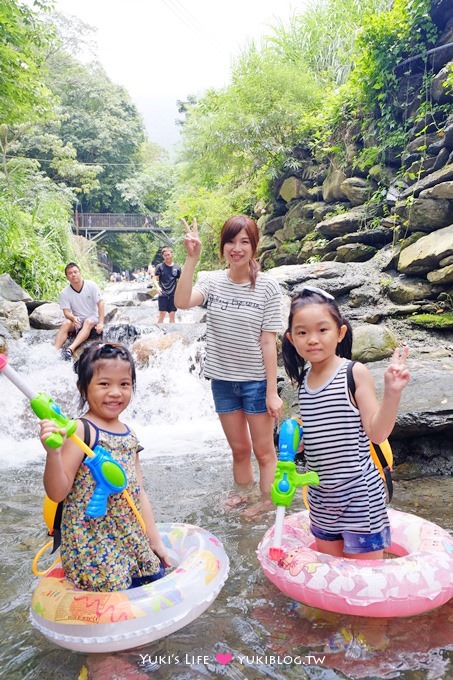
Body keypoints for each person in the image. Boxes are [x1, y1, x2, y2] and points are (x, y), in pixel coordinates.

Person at [282, 286, 410, 559]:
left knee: (366, 581)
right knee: (331, 577)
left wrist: (392, 392)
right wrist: (298, 443)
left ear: (340, 333)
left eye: (322, 330)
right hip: (321, 500)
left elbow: (377, 432)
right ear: (292, 339)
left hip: (358, 497)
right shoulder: (304, 382)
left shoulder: (353, 373)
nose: (312, 339)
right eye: (302, 332)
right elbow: (319, 433)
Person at [39, 342, 169, 591]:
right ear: (83, 389)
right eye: (104, 384)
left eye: (124, 384)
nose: (115, 393)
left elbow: (138, 492)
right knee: (114, 602)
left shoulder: (130, 434)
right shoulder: (80, 431)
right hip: (93, 542)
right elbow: (57, 493)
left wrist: (155, 541)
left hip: (128, 534)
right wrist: (52, 454)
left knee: (153, 579)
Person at [175, 215, 283, 507]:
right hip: (222, 381)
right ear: (222, 247)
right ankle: (246, 496)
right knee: (238, 449)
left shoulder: (268, 288)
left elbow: (268, 342)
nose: (237, 248)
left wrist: (272, 392)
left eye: (244, 242)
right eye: (231, 241)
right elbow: (182, 301)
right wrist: (191, 259)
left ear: (254, 247)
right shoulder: (211, 281)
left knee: (263, 451)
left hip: (256, 383)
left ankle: (266, 502)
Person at [54, 262, 105, 360]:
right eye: (70, 273)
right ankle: (55, 351)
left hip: (92, 318)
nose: (73, 275)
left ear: (80, 273)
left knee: (88, 321)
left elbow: (100, 303)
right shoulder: (65, 293)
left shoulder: (91, 285)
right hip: (77, 320)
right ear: (67, 277)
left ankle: (70, 349)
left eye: (75, 272)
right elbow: (66, 312)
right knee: (66, 323)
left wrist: (101, 322)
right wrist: (73, 318)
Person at [154, 247, 181, 323]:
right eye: (165, 255)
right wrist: (158, 287)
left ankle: (172, 333)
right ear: (163, 256)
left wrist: (180, 292)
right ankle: (158, 333)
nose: (167, 257)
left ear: (172, 255)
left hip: (173, 295)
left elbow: (180, 281)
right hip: (163, 294)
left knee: (172, 315)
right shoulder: (159, 267)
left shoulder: (177, 267)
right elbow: (155, 280)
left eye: (168, 255)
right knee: (162, 314)